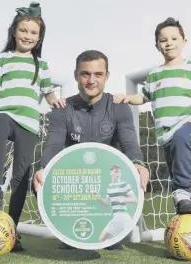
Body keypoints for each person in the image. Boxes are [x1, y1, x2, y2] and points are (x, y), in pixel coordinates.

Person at [33, 50, 150, 251]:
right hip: (75, 181)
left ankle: (111, 234)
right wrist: (44, 167)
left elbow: (129, 143)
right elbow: (53, 145)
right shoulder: (62, 108)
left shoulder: (118, 106)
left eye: (98, 74)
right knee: (39, 179)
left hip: (105, 182)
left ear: (107, 76)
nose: (91, 80)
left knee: (137, 174)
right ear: (76, 75)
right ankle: (69, 231)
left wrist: (138, 164)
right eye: (85, 74)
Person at [0, 2, 65, 252]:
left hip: (28, 122)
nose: (28, 36)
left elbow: (47, 93)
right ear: (14, 32)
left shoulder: (42, 65)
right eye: (24, 31)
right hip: (5, 114)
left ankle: (12, 232)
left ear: (39, 38)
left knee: (21, 177)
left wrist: (54, 100)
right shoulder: (0, 60)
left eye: (33, 33)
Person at [113, 17, 191, 215]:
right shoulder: (155, 75)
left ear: (184, 42)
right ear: (157, 45)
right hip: (165, 133)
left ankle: (184, 191)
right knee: (174, 164)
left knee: (182, 138)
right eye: (164, 40)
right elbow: (143, 97)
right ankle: (182, 209)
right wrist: (126, 98)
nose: (169, 43)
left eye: (174, 39)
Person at [95, 165, 137, 243]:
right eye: (116, 171)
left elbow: (134, 199)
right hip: (117, 217)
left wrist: (124, 200)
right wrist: (97, 197)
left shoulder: (124, 184)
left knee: (102, 239)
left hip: (122, 217)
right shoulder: (109, 187)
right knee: (104, 240)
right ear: (111, 173)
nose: (118, 174)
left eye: (119, 172)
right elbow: (107, 203)